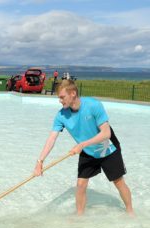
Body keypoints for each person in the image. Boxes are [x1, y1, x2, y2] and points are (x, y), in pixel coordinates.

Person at [33, 79, 134, 216]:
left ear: (73, 93)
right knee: (80, 185)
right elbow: (51, 138)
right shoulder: (61, 115)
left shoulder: (93, 105)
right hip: (87, 151)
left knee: (118, 182)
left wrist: (82, 144)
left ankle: (130, 211)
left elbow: (106, 133)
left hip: (107, 148)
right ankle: (79, 216)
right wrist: (40, 162)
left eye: (62, 97)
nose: (60, 101)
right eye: (59, 98)